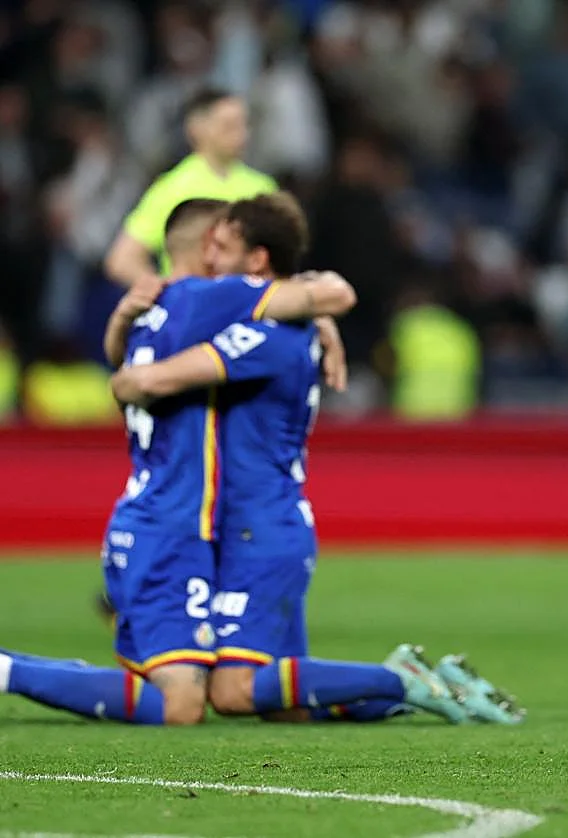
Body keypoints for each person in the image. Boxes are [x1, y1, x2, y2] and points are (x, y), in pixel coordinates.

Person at [110, 194, 523, 725]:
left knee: (233, 693)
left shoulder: (263, 330)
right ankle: (407, 693)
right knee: (289, 708)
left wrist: (134, 379)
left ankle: (401, 679)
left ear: (257, 262)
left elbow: (159, 376)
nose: (212, 260)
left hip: (257, 528)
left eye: (224, 247)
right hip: (257, 522)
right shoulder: (280, 319)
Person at [0, 198, 355, 724]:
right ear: (210, 246)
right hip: (173, 521)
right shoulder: (212, 300)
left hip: (168, 513)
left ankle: (402, 689)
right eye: (220, 242)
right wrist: (316, 309)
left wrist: (121, 343)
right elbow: (337, 291)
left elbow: (127, 368)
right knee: (186, 702)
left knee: (269, 698)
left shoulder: (154, 308)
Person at [104, 88, 276, 289]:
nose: (242, 134)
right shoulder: (173, 188)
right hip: (196, 312)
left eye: (244, 125)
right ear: (197, 129)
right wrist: (166, 292)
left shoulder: (263, 187)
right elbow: (122, 259)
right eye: (228, 126)